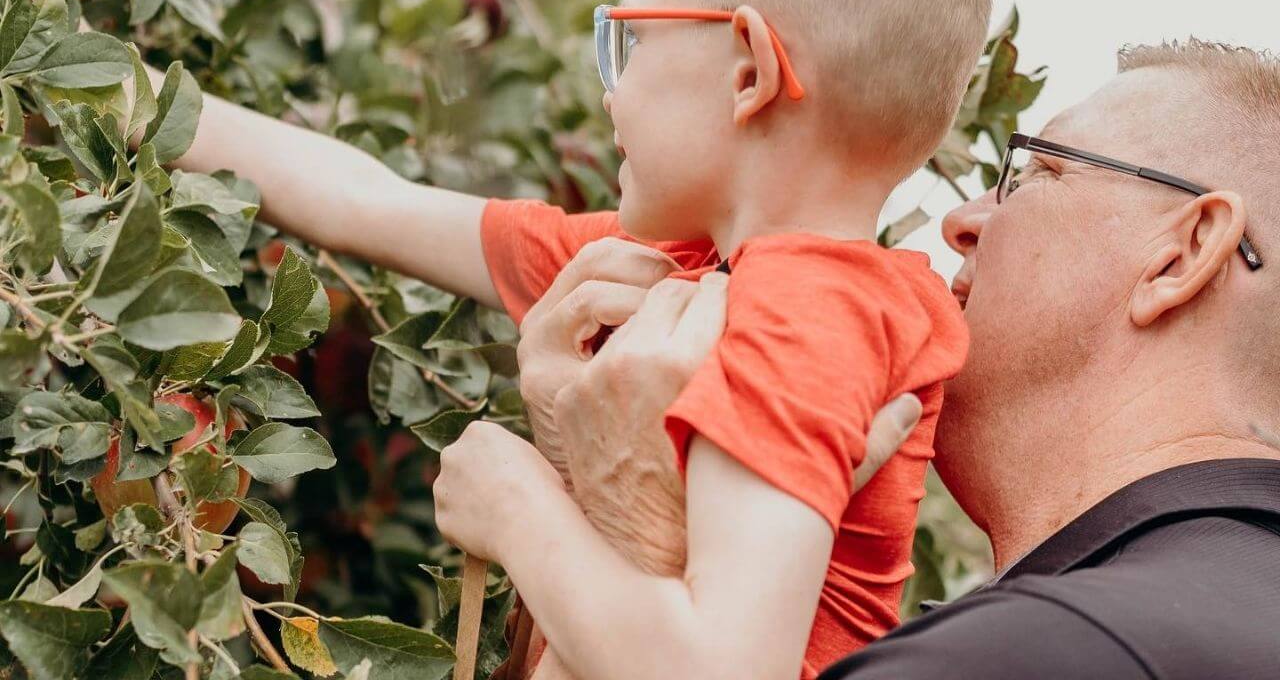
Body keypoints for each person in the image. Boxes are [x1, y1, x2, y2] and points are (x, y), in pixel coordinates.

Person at [164, 0, 991, 677]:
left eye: (628, 40)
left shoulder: (810, 315)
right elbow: (369, 202)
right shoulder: (692, 268)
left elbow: (721, 669)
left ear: (749, 73)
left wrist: (517, 506)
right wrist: (122, 95)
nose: (610, 86)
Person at [453, 39, 1280, 679]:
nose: (962, 219)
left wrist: (560, 513)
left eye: (1033, 173)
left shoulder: (1037, 652)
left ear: (1186, 251)